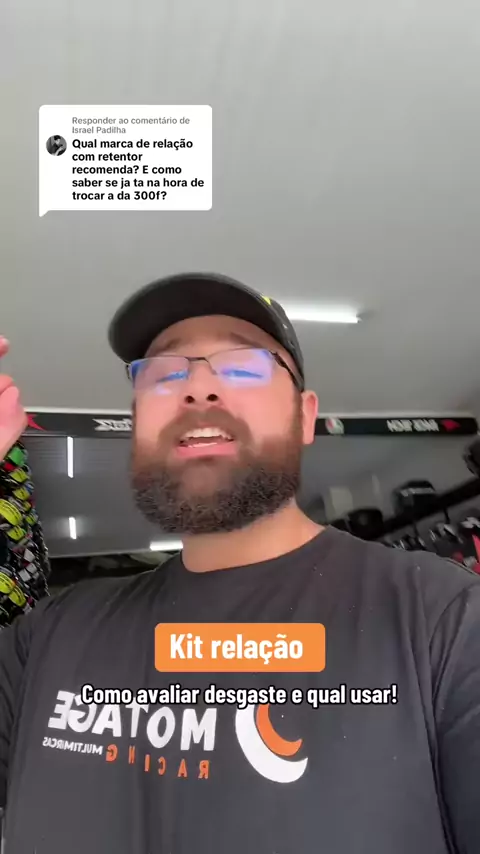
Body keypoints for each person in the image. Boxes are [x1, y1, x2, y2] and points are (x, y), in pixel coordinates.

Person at [0, 272, 479, 853]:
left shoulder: (445, 623)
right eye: (164, 372)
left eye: (244, 366)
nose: (198, 388)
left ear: (305, 416)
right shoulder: (53, 635)